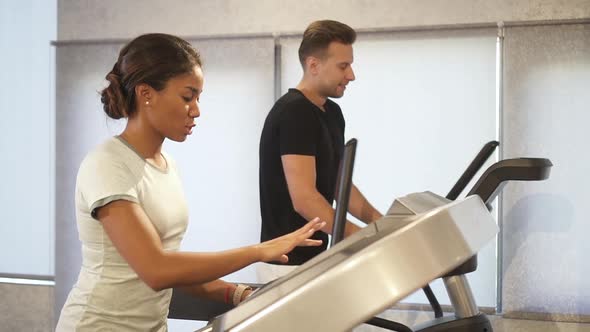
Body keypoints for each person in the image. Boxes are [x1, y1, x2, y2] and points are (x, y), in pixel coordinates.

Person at [55, 33, 325, 332]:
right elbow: (157, 270)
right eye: (187, 97)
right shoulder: (107, 164)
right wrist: (259, 251)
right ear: (146, 94)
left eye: (198, 98)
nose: (196, 110)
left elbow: (174, 268)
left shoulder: (166, 165)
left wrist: (238, 293)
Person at [257, 20, 383, 283]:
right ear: (314, 65)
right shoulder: (294, 112)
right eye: (343, 66)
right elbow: (304, 199)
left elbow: (338, 184)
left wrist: (380, 225)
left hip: (315, 259)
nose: (351, 75)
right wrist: (361, 236)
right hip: (286, 265)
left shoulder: (331, 112)